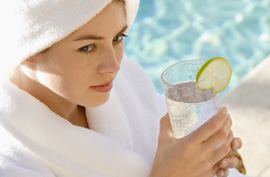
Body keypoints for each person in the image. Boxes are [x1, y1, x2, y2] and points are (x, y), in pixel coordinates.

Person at [0, 0, 248, 177]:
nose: (114, 66)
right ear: (29, 50)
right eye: (87, 47)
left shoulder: (126, 81)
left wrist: (210, 156)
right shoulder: (11, 162)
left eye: (118, 38)